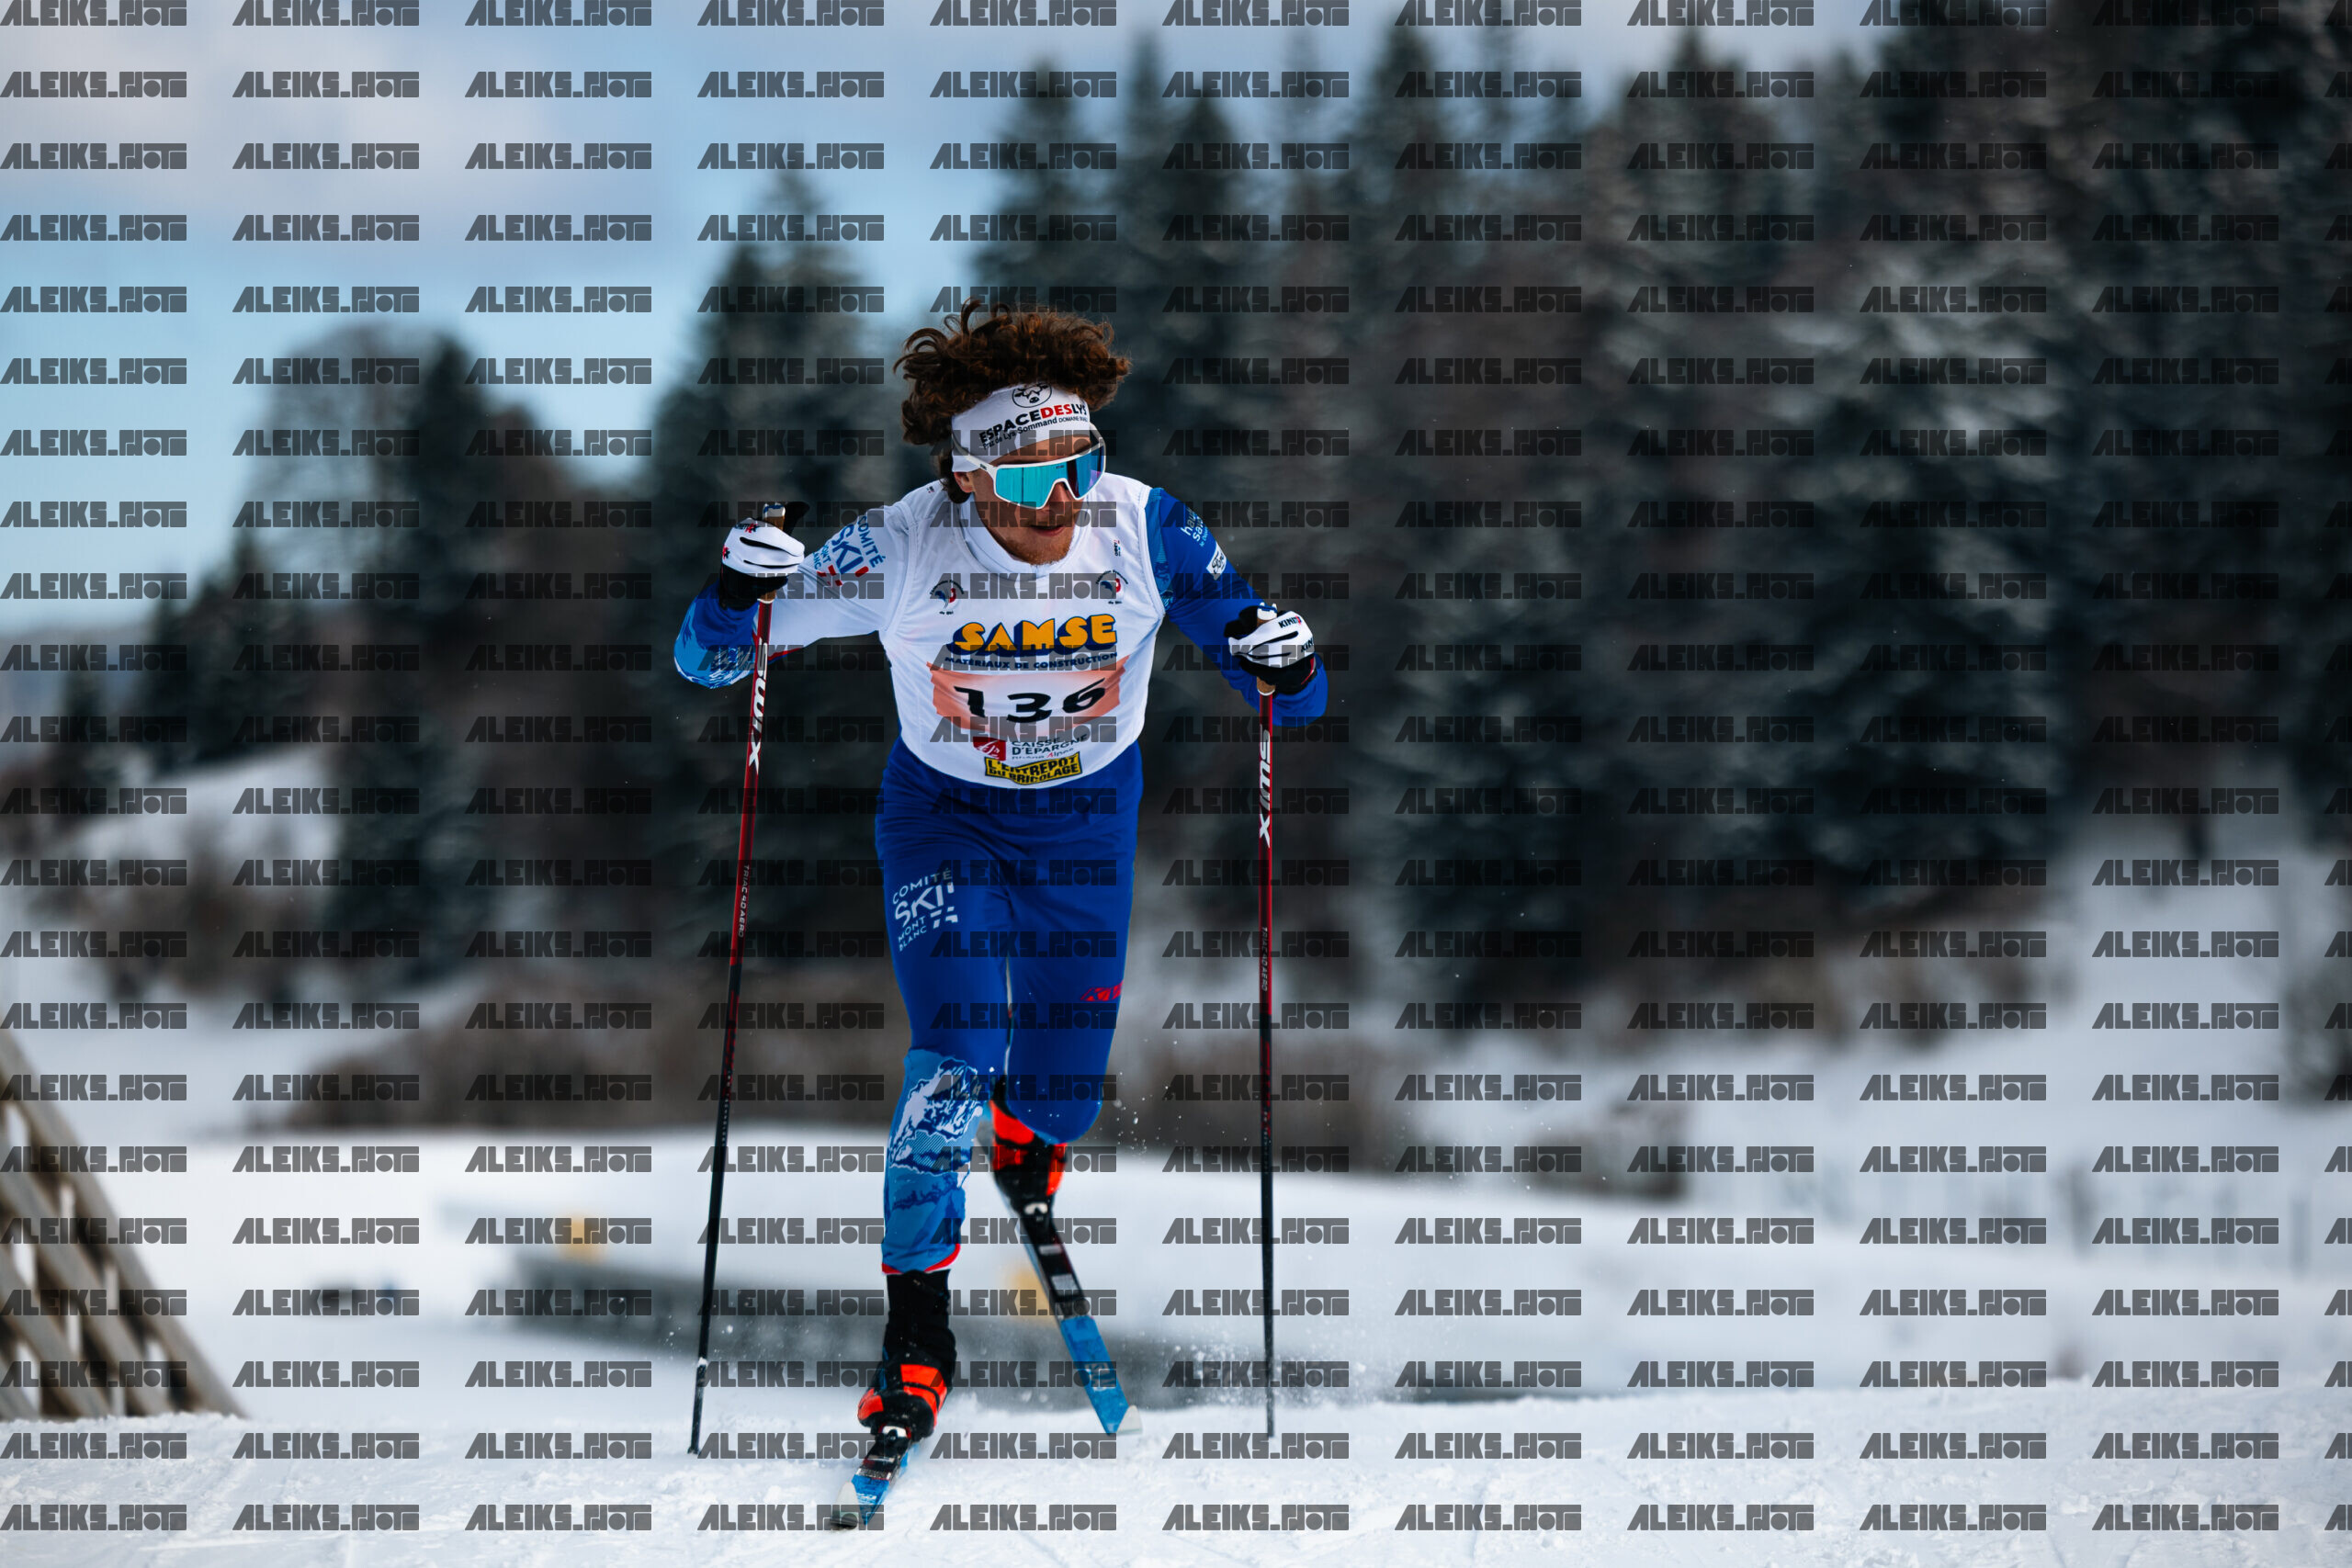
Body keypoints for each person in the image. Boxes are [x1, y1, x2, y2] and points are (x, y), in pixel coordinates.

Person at [673, 299, 1327, 1452]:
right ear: (967, 477)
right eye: (1029, 480)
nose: (1060, 499)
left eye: (1080, 465)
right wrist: (733, 591)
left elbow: (1286, 690)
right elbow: (710, 660)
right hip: (947, 822)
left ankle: (1031, 1145)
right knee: (954, 1064)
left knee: (1063, 1094)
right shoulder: (900, 545)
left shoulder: (1148, 528)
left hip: (1085, 826)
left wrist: (1289, 660)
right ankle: (916, 1339)